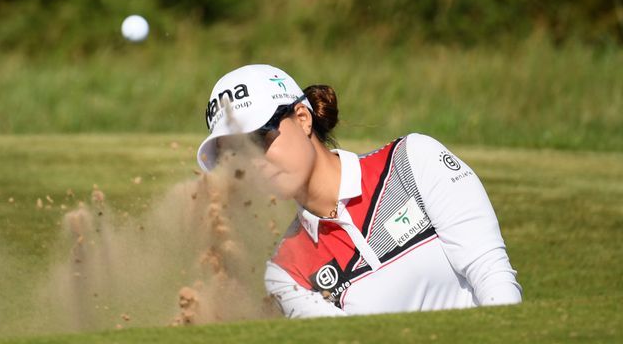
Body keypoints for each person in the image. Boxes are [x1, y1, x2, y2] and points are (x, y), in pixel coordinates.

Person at [196, 64, 522, 318]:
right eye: (235, 153)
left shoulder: (412, 162)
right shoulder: (286, 273)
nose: (252, 163)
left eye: (258, 139)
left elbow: (494, 278)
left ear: (302, 118)